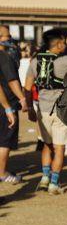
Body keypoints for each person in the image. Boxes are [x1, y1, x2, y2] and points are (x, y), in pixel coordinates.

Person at [23, 29, 67, 194]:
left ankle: (44, 178)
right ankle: (54, 183)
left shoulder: (35, 61)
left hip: (42, 109)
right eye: (64, 42)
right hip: (60, 110)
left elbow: (27, 88)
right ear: (58, 44)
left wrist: (29, 109)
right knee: (59, 148)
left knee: (47, 145)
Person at [0, 42, 23, 184]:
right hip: (5, 104)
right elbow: (12, 80)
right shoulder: (3, 56)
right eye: (7, 36)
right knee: (5, 140)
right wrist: (21, 99)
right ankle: (2, 173)